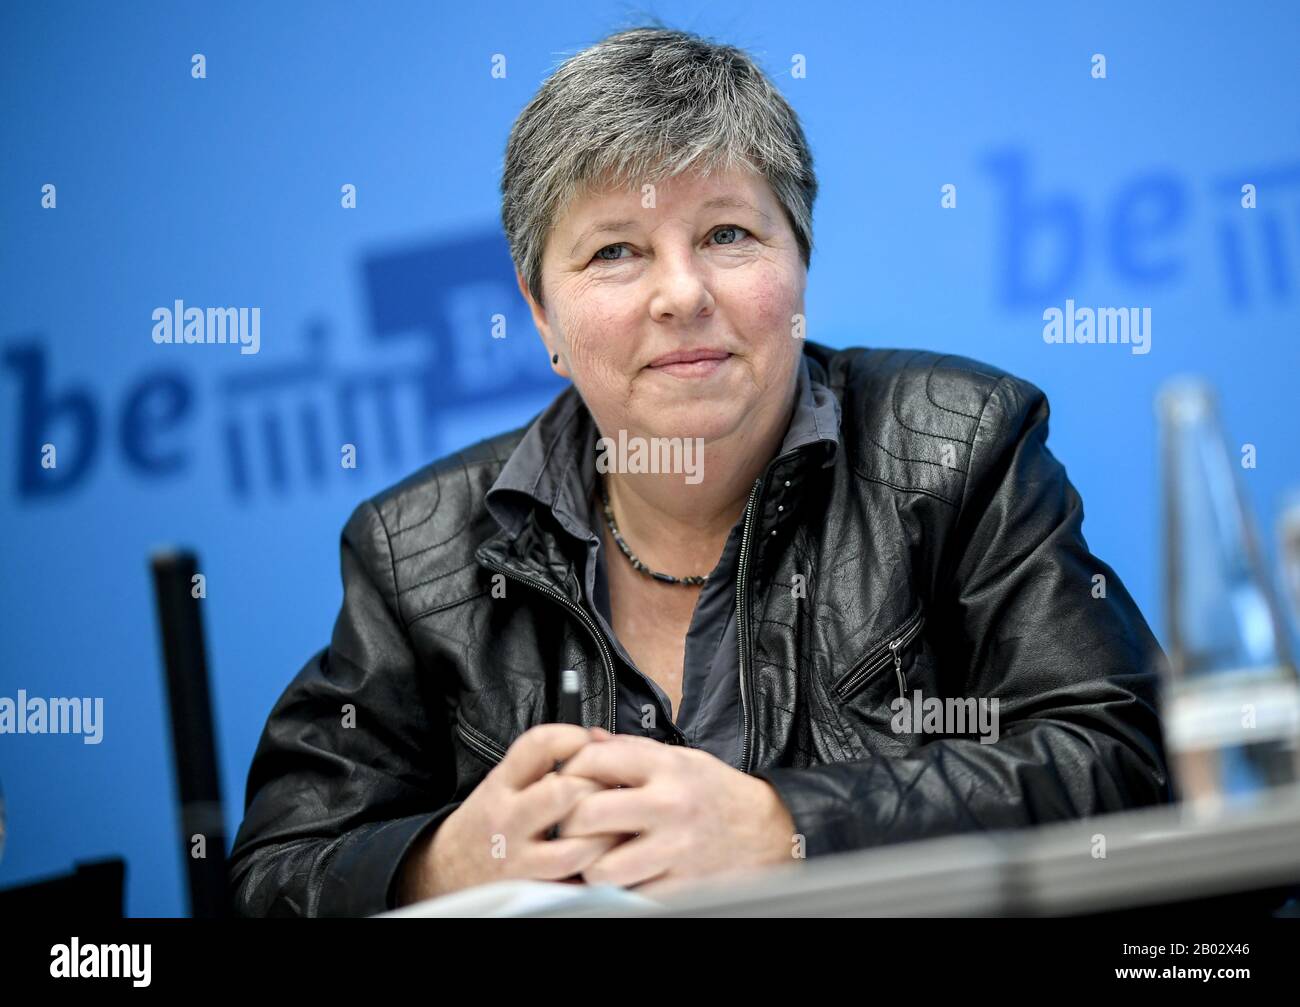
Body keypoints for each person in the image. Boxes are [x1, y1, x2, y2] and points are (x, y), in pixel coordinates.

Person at [228, 25, 1171, 917]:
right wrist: (445, 863)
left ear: (800, 258)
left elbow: (1125, 760)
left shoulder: (957, 448)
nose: (681, 293)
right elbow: (274, 875)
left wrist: (784, 827)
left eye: (727, 235)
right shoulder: (417, 553)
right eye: (614, 252)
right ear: (542, 314)